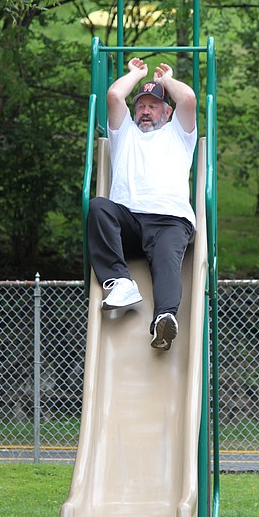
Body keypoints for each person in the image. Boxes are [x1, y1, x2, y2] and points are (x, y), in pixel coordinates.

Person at [88, 57, 197, 351]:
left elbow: (188, 97)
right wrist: (136, 74)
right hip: (129, 222)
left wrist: (166, 80)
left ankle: (164, 319)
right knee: (98, 207)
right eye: (141, 105)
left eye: (153, 105)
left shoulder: (179, 134)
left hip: (170, 221)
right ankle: (120, 282)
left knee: (166, 261)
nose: (145, 111)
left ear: (167, 111)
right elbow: (113, 95)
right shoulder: (125, 134)